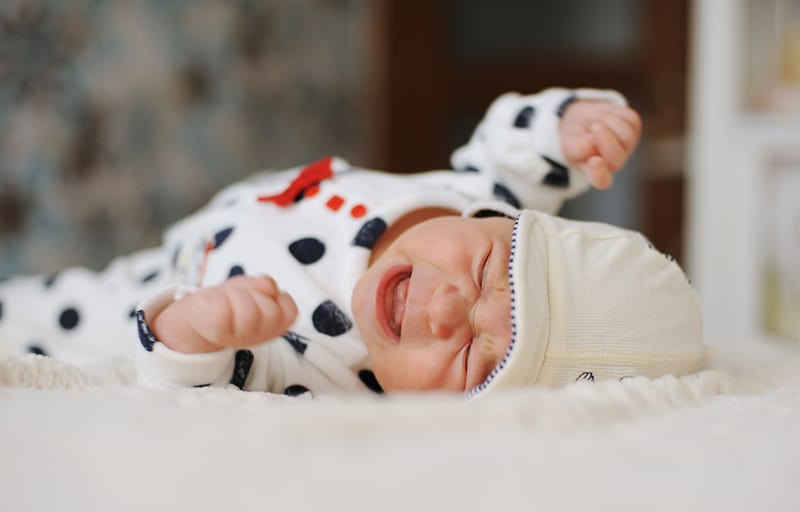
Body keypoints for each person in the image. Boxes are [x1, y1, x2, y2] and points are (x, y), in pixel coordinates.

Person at [0, 87, 707, 397]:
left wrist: (195, 329)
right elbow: (513, 148)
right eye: (492, 270)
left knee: (40, 324)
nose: (446, 312)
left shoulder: (330, 374)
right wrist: (569, 124)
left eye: (473, 363)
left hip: (150, 298)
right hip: (186, 239)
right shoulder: (478, 198)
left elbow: (204, 387)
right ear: (501, 223)